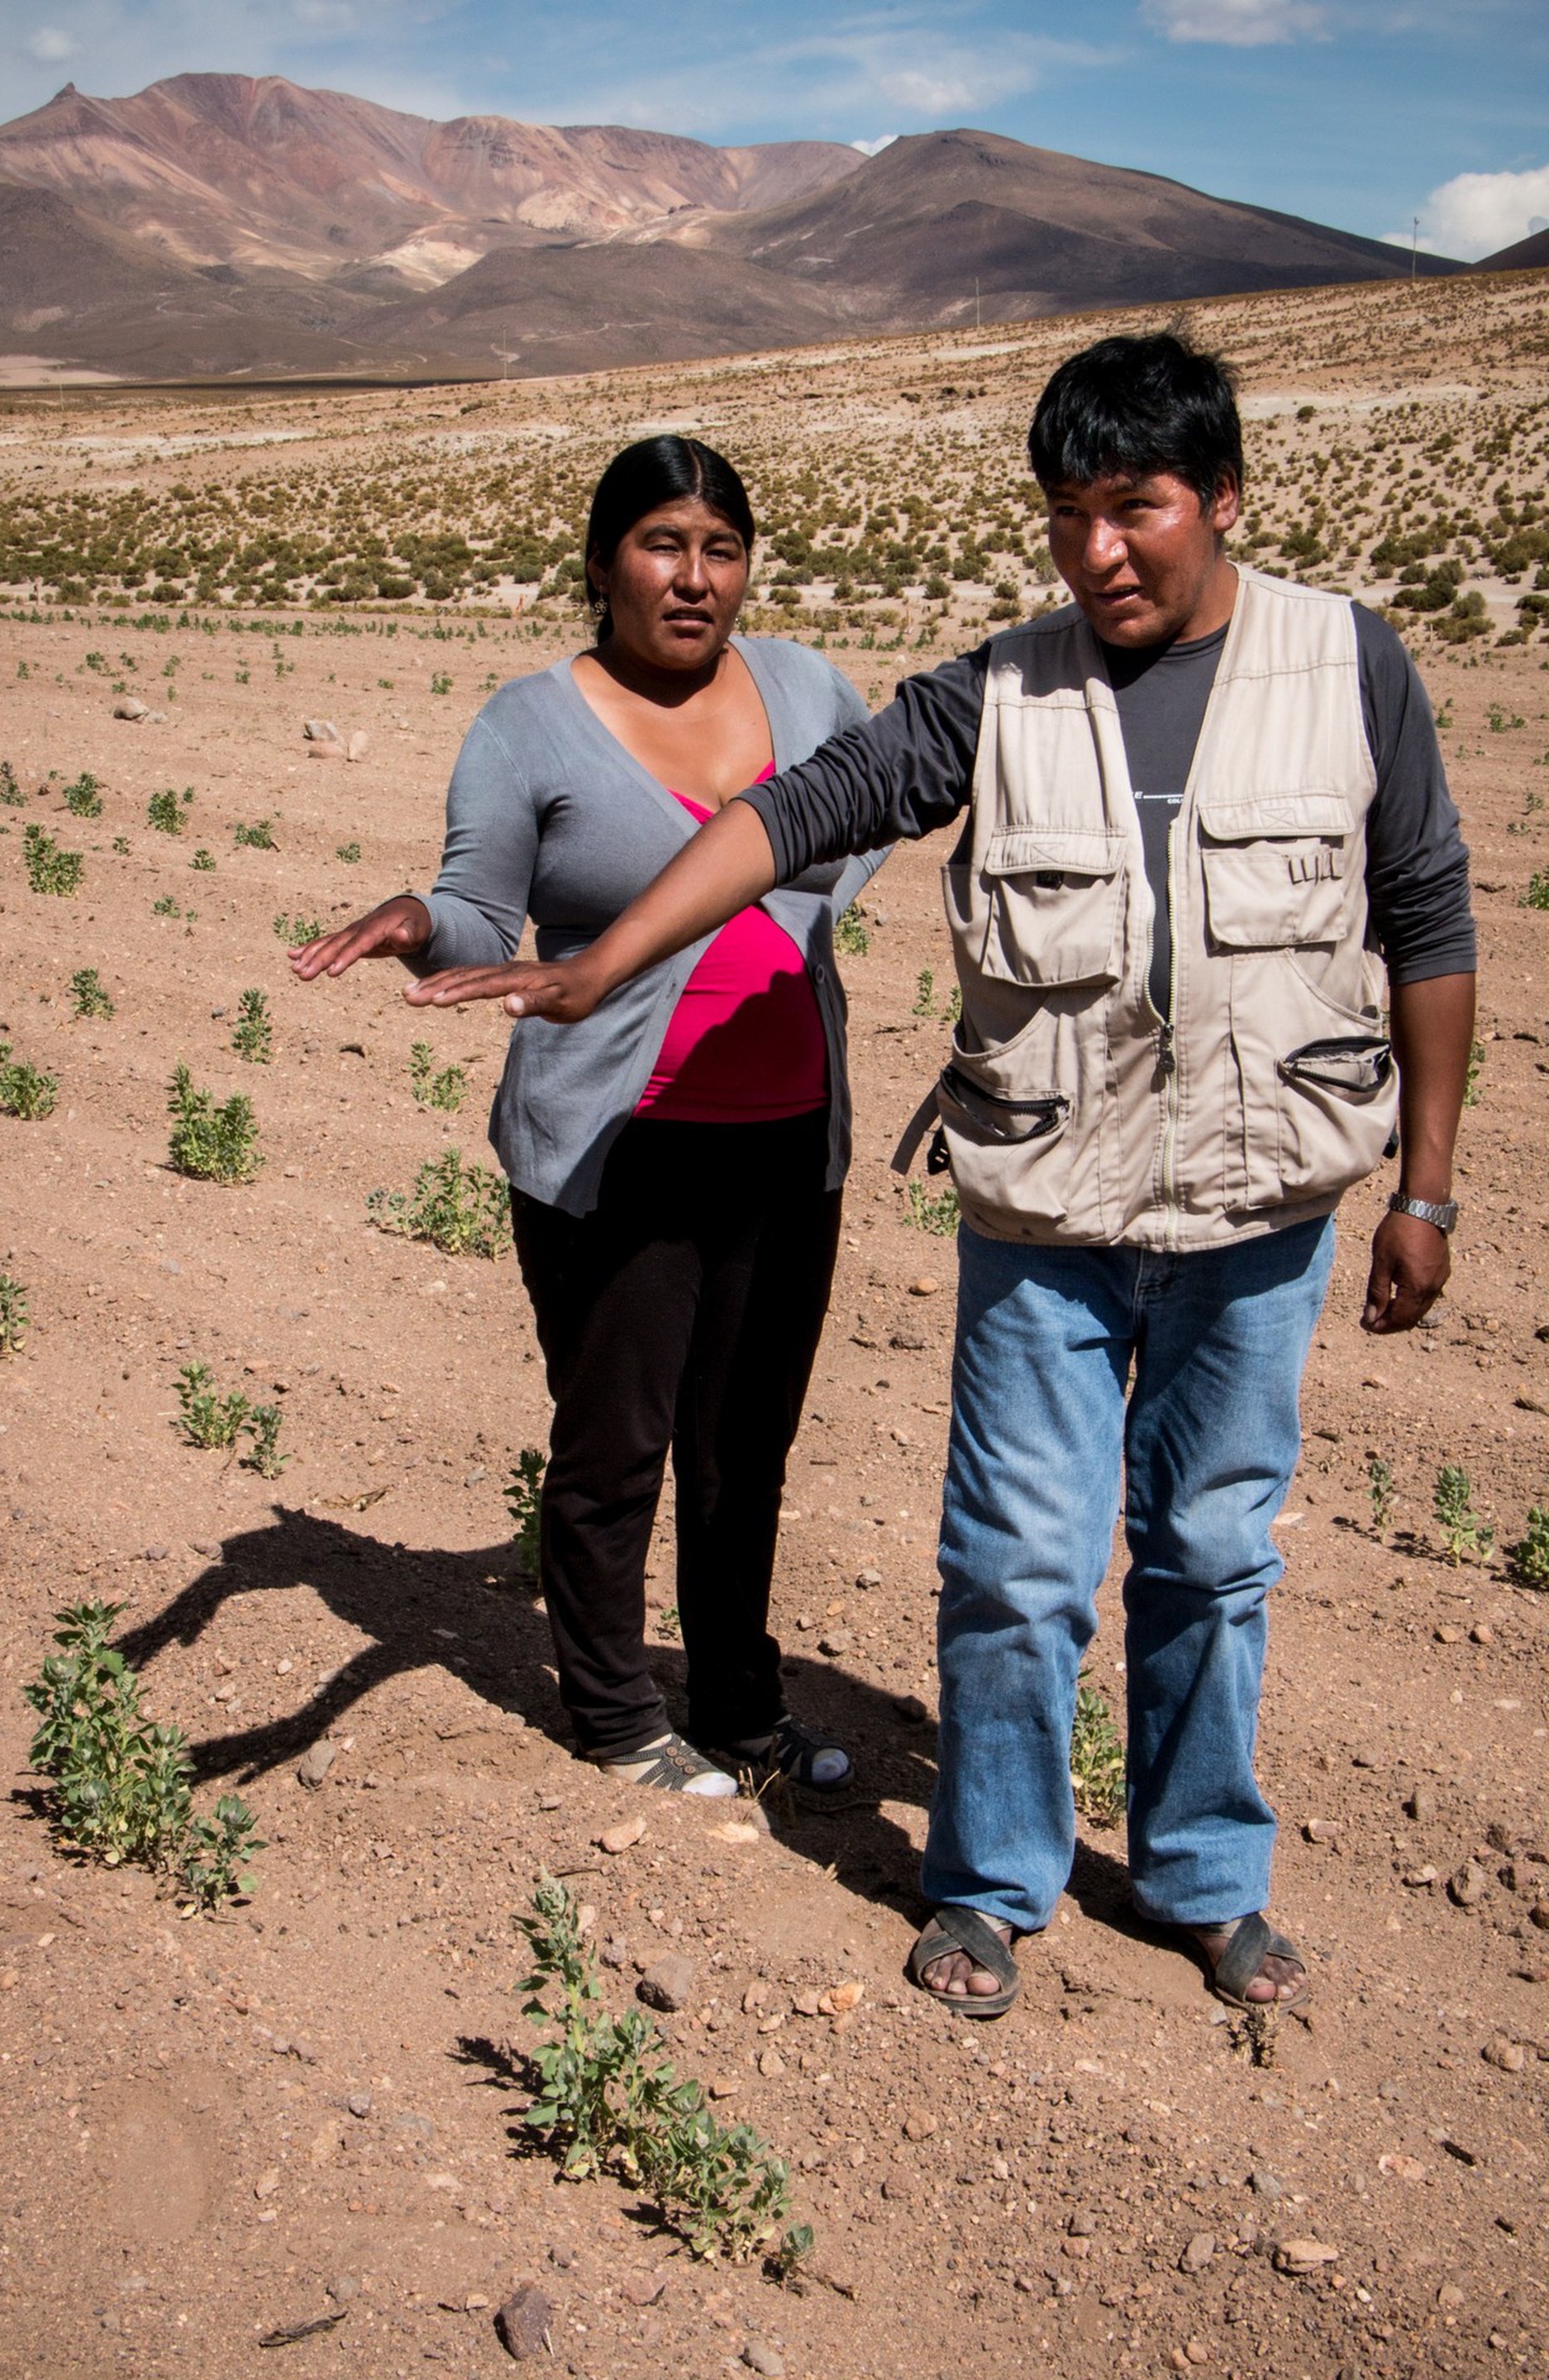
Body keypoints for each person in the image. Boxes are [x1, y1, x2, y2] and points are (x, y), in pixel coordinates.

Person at [412, 335, 1476, 2014]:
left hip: (1258, 1217)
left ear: (1224, 500)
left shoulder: (1349, 668)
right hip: (1047, 1212)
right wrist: (610, 959)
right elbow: (806, 809)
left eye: (1137, 509)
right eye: (1068, 514)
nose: (1099, 552)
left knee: (1210, 1553)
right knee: (1013, 1561)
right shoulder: (1003, 689)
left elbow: (1429, 915)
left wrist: (1424, 1189)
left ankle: (1208, 1878)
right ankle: (990, 1882)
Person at [293, 435, 884, 1798]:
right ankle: (616, 1715)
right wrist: (420, 923)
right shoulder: (531, 722)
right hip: (624, 1146)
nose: (695, 579)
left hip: (792, 1133)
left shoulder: (804, 685)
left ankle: (740, 1706)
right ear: (603, 564)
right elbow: (483, 906)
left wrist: (808, 924)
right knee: (619, 1442)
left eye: (721, 549)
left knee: (749, 1447)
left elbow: (874, 808)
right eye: (662, 546)